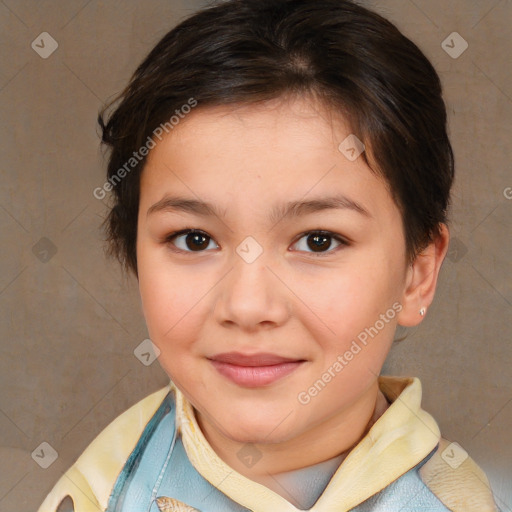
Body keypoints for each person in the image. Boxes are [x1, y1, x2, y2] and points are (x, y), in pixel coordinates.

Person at [38, 0, 502, 510]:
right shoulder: (104, 488)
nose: (248, 306)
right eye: (195, 239)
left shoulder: (448, 500)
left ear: (418, 273)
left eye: (318, 240)